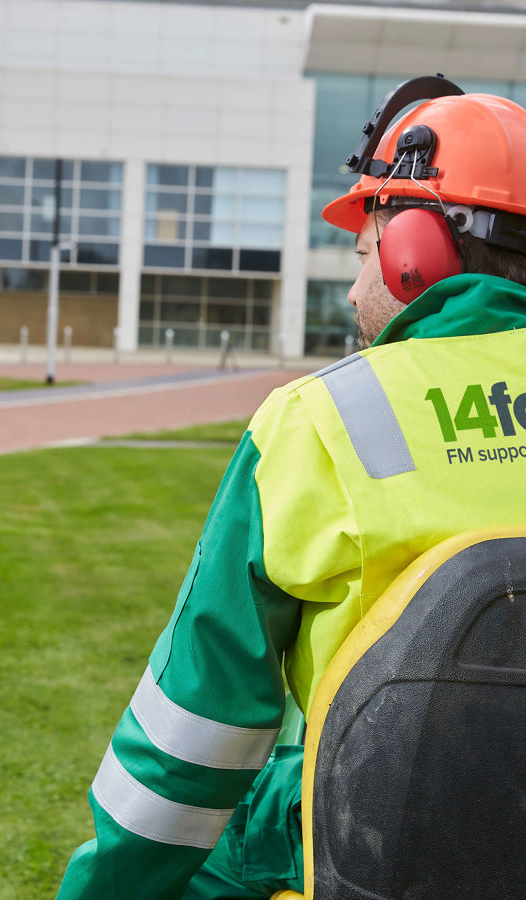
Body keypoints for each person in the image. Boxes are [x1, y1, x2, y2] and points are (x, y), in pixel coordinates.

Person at [55, 75, 526, 899]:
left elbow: (192, 738)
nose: (352, 289)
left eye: (363, 254)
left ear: (414, 253)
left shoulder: (319, 422)